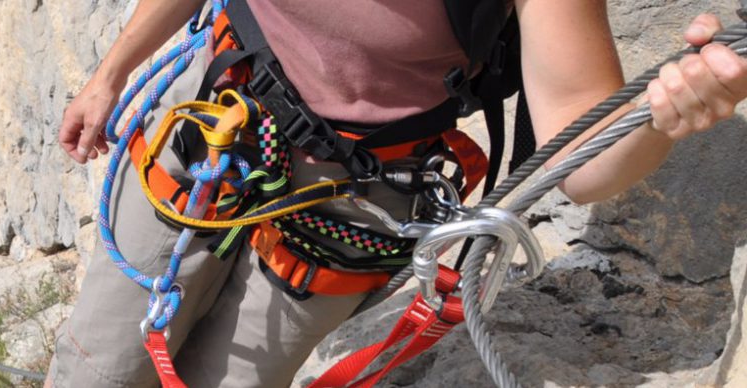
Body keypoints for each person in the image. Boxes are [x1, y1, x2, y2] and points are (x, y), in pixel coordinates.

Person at [50, 0, 747, 386]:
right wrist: (111, 74)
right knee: (100, 359)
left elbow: (586, 162)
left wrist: (663, 117)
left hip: (353, 197)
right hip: (216, 119)